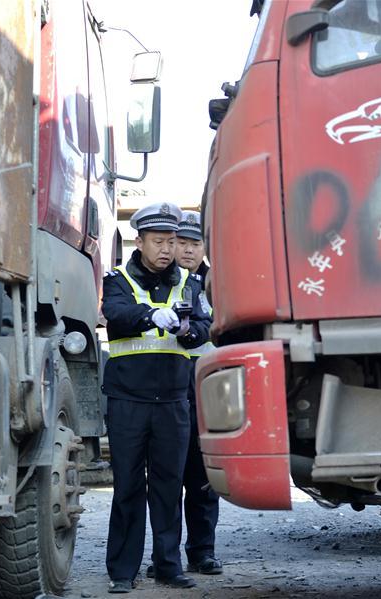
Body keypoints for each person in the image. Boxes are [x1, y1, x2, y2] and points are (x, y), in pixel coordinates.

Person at [102, 202, 211, 593]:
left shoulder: (190, 282)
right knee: (128, 486)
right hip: (128, 400)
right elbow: (114, 312)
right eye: (158, 241)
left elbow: (204, 323)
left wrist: (188, 331)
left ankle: (168, 565)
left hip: (172, 402)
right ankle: (121, 571)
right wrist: (150, 315)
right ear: (140, 241)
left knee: (169, 487)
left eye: (171, 241)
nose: (167, 249)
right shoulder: (118, 279)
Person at [145, 210, 222, 577]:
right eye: (183, 243)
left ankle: (202, 552)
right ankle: (167, 557)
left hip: (207, 386)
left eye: (196, 243)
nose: (188, 250)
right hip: (166, 388)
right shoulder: (159, 281)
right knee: (167, 477)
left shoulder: (217, 282)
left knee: (204, 476)